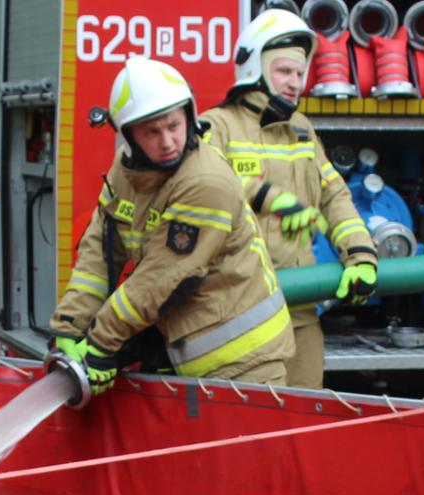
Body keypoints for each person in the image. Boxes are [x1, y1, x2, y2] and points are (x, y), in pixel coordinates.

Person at [49, 57, 295, 395]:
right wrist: (70, 325)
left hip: (246, 361)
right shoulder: (126, 171)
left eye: (174, 126)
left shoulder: (205, 181)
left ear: (190, 117)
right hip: (188, 351)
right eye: (152, 132)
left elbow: (163, 278)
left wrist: (101, 344)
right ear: (128, 136)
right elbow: (100, 251)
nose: (167, 142)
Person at [199, 9, 378, 389]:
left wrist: (360, 254)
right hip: (238, 314)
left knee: (303, 425)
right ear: (254, 68)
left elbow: (335, 196)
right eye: (284, 71)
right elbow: (203, 191)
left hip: (300, 310)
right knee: (251, 427)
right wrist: (265, 195)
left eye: (300, 73)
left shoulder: (301, 130)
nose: (295, 82)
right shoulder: (217, 126)